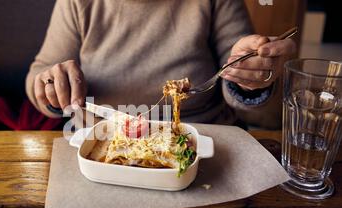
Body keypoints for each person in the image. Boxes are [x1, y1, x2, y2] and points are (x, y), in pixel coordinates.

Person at [26, 0, 296, 129]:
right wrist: (52, 87)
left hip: (204, 140)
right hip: (100, 140)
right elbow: (41, 73)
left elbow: (237, 75)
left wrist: (249, 78)